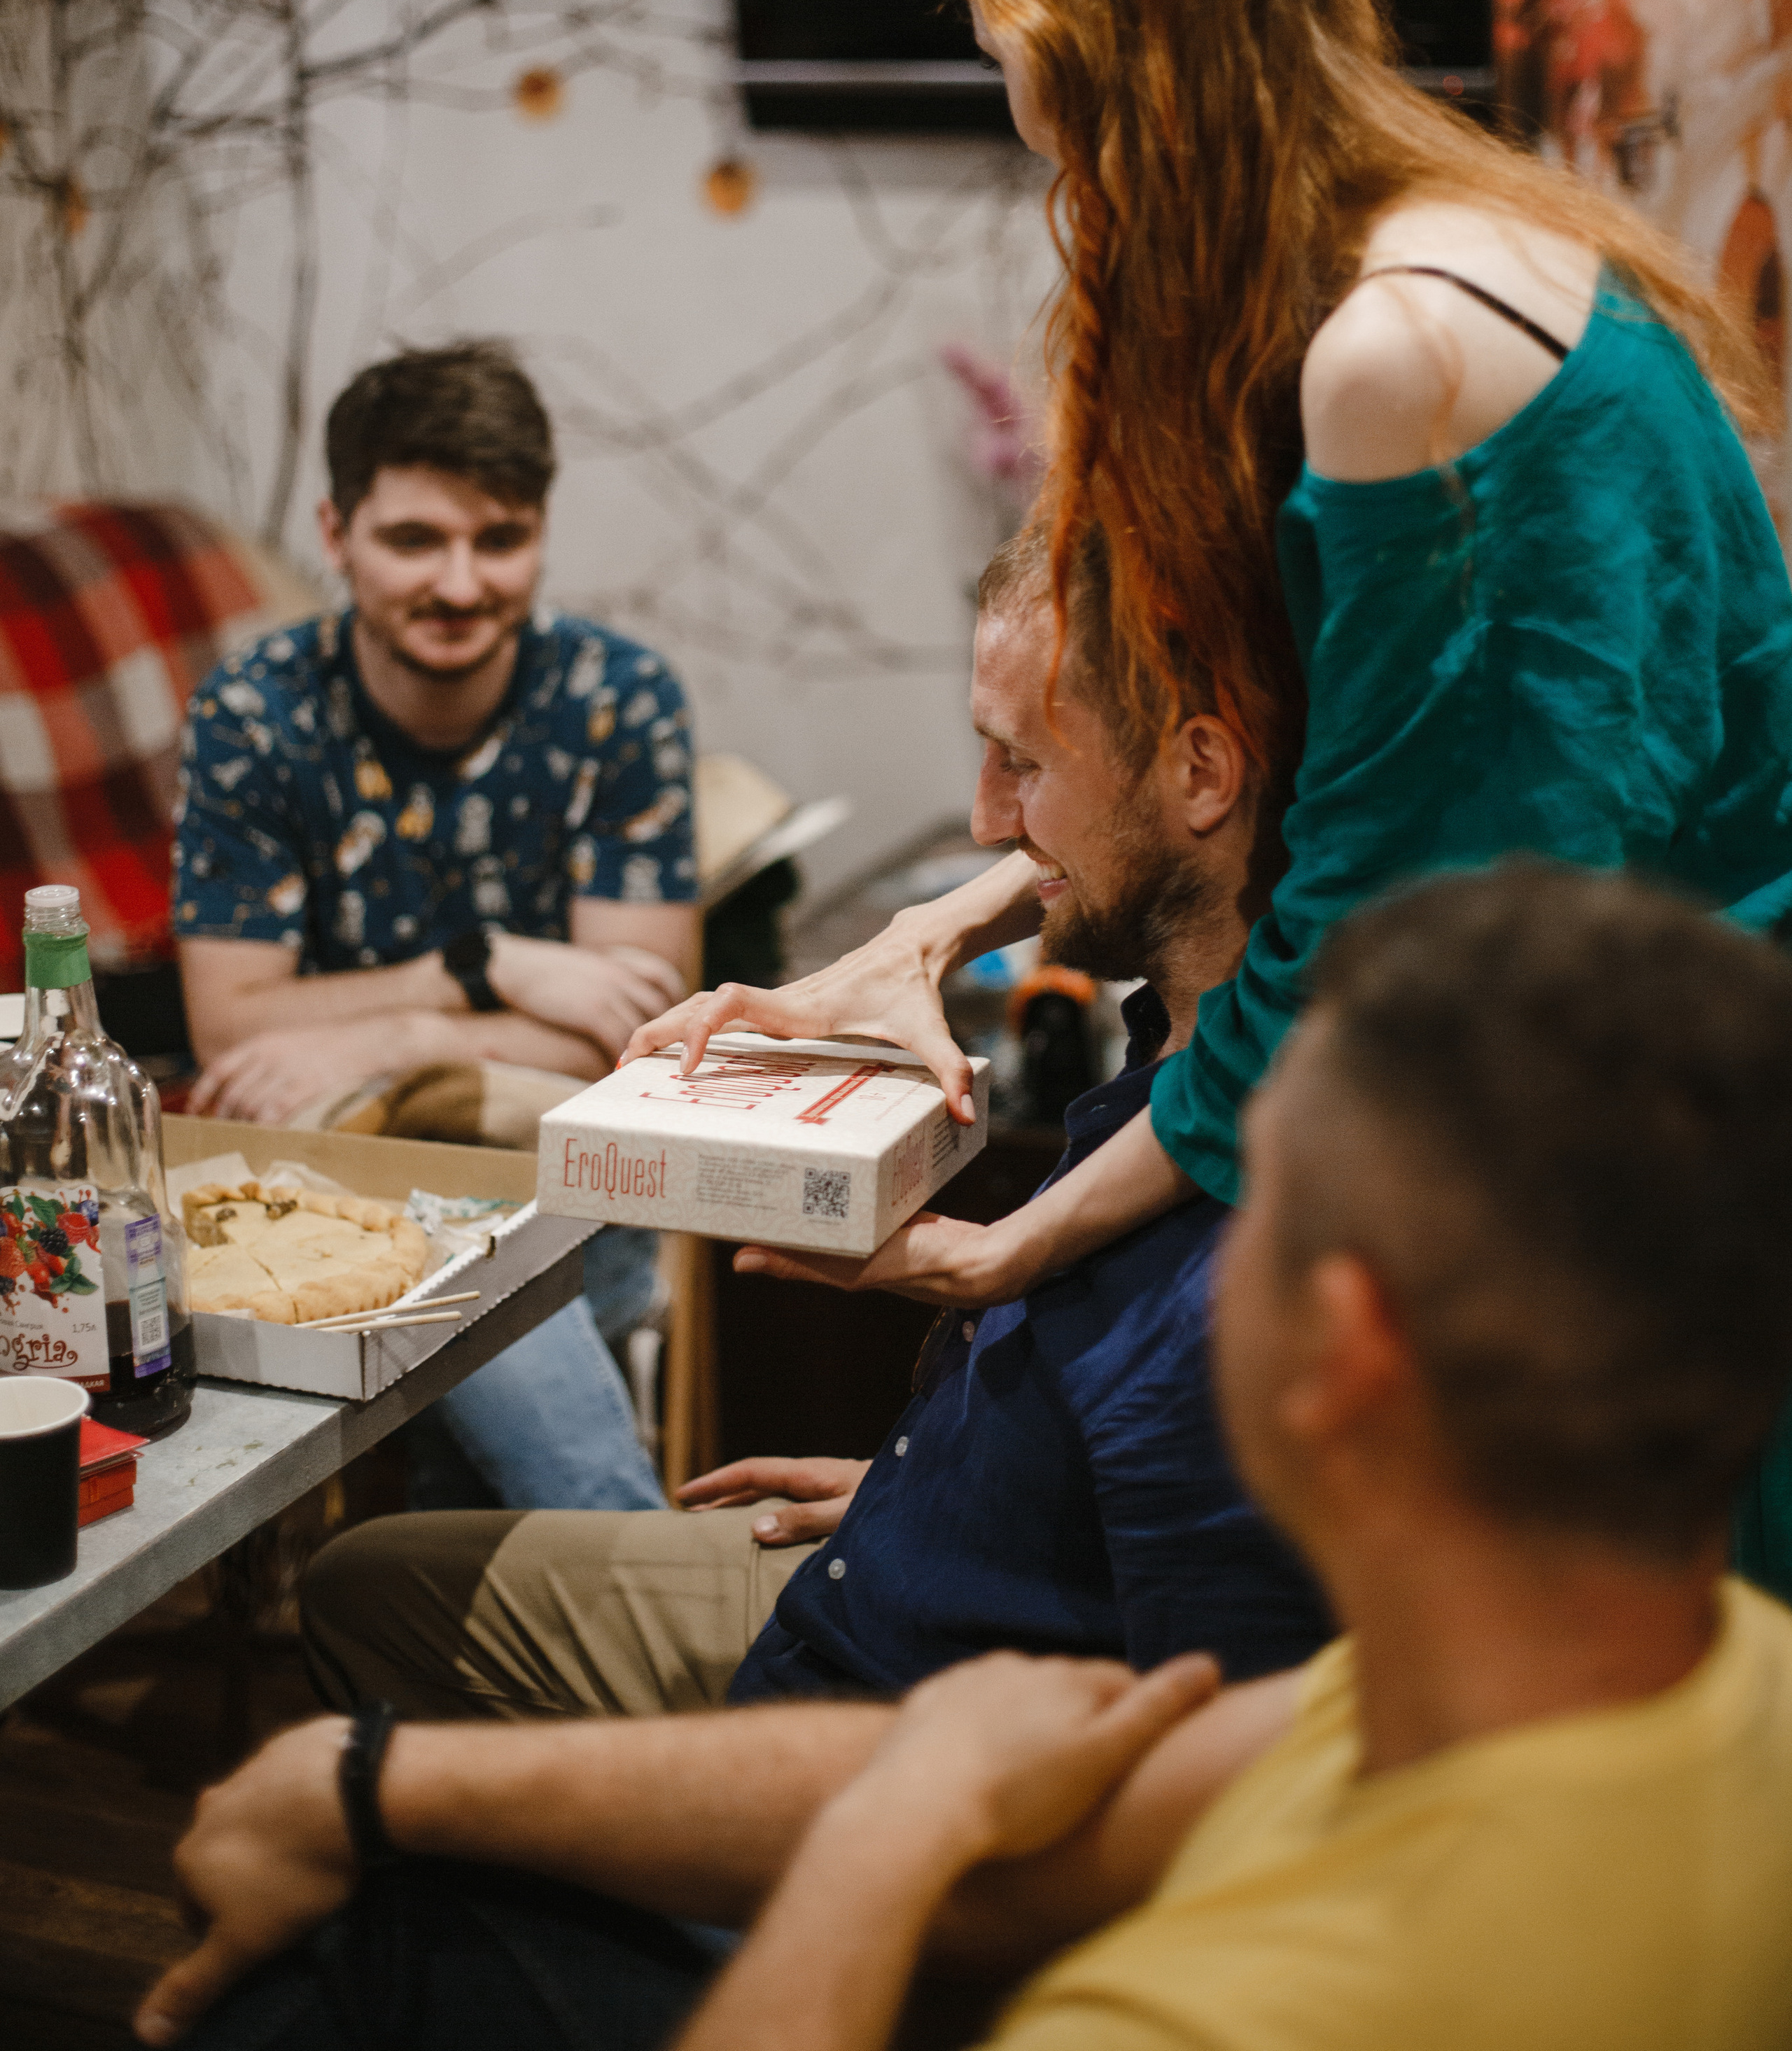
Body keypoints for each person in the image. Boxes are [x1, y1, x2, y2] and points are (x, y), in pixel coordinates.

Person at [626, 0, 1792, 1579]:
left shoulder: (1402, 354)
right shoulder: (1391, 260)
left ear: (1107, 45)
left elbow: (1379, 937)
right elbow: (1318, 773)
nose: (1006, 89)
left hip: (1645, 1141)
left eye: (1010, 30)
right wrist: (927, 936)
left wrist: (1019, 1243)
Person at [134, 864, 1792, 2051]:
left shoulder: (1184, 2011)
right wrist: (369, 1779)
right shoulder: (1691, 1677)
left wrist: (894, 1830)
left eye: (1249, 1202)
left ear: (1346, 1351)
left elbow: (957, 1827)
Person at [297, 518, 1329, 1723]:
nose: (989, 821)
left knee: (351, 1733)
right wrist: (959, 1484)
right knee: (370, 1582)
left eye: (1025, 764)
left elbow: (1194, 1755)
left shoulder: (1235, 1276)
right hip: (910, 1542)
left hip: (880, 1712)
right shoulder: (1198, 1026)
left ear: (1204, 774)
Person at [172, 338, 699, 1512]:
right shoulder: (255, 712)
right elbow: (231, 1029)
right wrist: (488, 968)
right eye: (415, 539)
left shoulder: (620, 700)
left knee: (463, 1458)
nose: (460, 584)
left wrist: (393, 1037)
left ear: (541, 534)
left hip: (557, 1176)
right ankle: (640, 1601)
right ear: (336, 531)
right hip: (336, 1180)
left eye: (498, 539)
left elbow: (654, 1041)